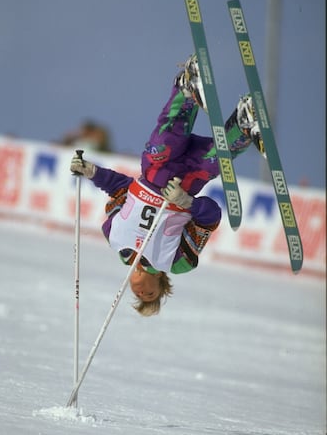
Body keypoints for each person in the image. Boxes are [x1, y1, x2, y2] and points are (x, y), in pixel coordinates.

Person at [70, 54, 264, 317]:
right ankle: (244, 123)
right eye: (150, 295)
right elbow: (211, 218)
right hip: (185, 184)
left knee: (166, 141)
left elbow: (122, 190)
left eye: (137, 295)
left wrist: (92, 172)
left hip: (156, 171)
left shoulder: (113, 236)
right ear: (162, 284)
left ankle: (187, 87)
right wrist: (187, 202)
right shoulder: (178, 262)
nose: (141, 292)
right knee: (214, 161)